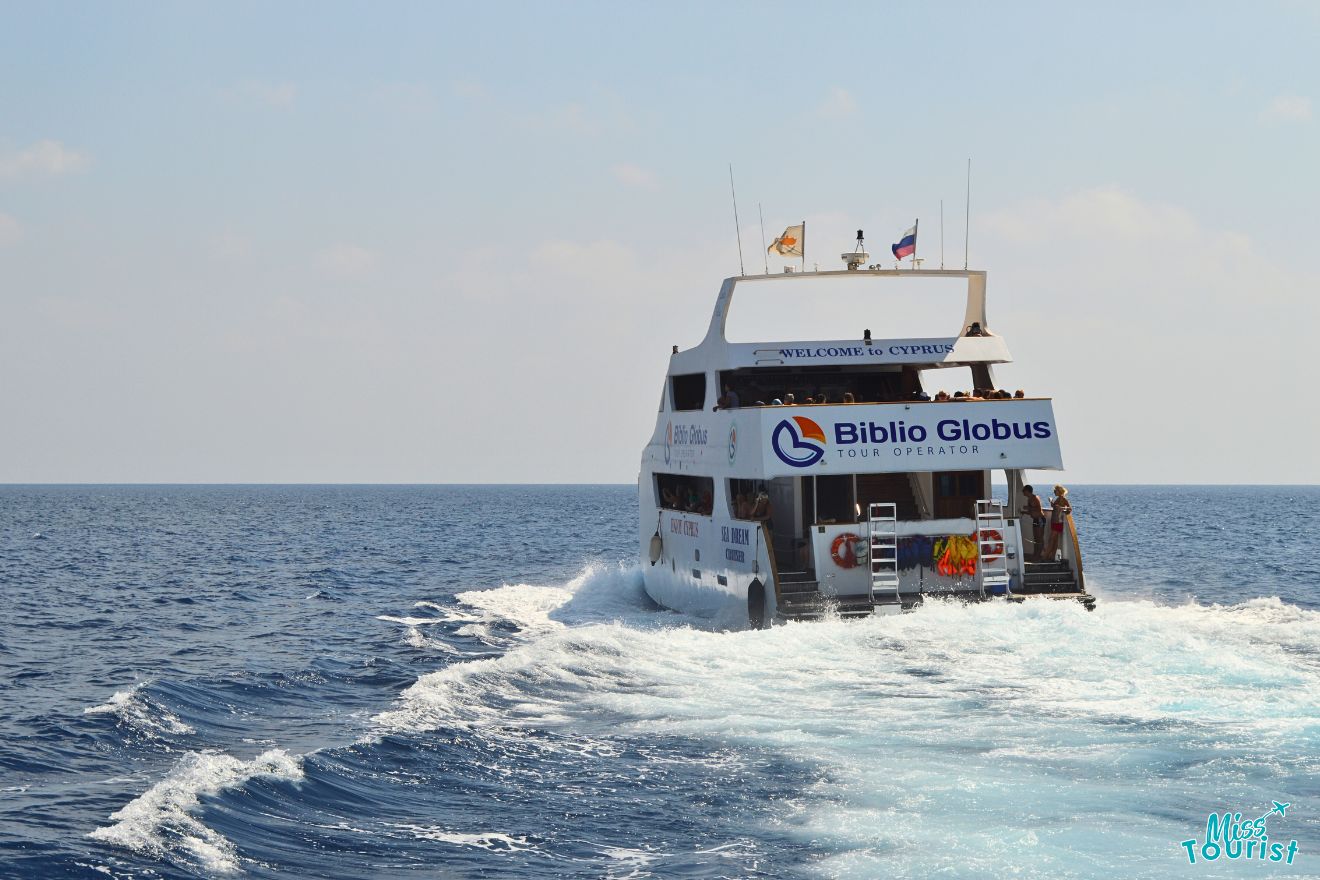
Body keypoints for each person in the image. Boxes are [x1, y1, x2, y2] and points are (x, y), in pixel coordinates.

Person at [1043, 485, 1072, 561]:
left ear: (1059, 492)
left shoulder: (1063, 499)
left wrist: (1062, 508)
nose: (1054, 492)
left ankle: (1045, 556)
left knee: (1051, 539)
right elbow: (1054, 506)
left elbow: (1069, 509)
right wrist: (1051, 501)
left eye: (1055, 491)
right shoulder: (1058, 499)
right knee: (1055, 540)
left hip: (1058, 521)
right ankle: (1052, 557)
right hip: (1055, 521)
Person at [1020, 485, 1046, 561]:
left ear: (1027, 491)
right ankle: (1035, 554)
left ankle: (1039, 556)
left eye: (1024, 491)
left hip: (1040, 519)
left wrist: (1028, 508)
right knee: (1035, 538)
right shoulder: (1029, 499)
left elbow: (1038, 509)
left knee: (1039, 538)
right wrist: (1024, 512)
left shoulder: (1034, 498)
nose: (1023, 493)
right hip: (1035, 519)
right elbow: (1032, 511)